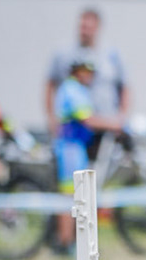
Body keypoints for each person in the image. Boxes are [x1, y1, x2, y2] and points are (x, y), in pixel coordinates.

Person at [52, 56, 123, 250]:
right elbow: (88, 120)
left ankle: (73, 242)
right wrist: (116, 124)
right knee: (70, 195)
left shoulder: (77, 89)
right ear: (77, 72)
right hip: (70, 147)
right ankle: (65, 242)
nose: (90, 77)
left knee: (79, 195)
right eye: (86, 72)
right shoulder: (72, 89)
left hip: (77, 147)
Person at [46, 6, 129, 126]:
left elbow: (124, 86)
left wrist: (121, 118)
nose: (85, 32)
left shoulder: (112, 55)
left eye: (89, 28)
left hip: (106, 121)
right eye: (83, 27)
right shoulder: (71, 86)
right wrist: (51, 120)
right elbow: (86, 119)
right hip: (77, 129)